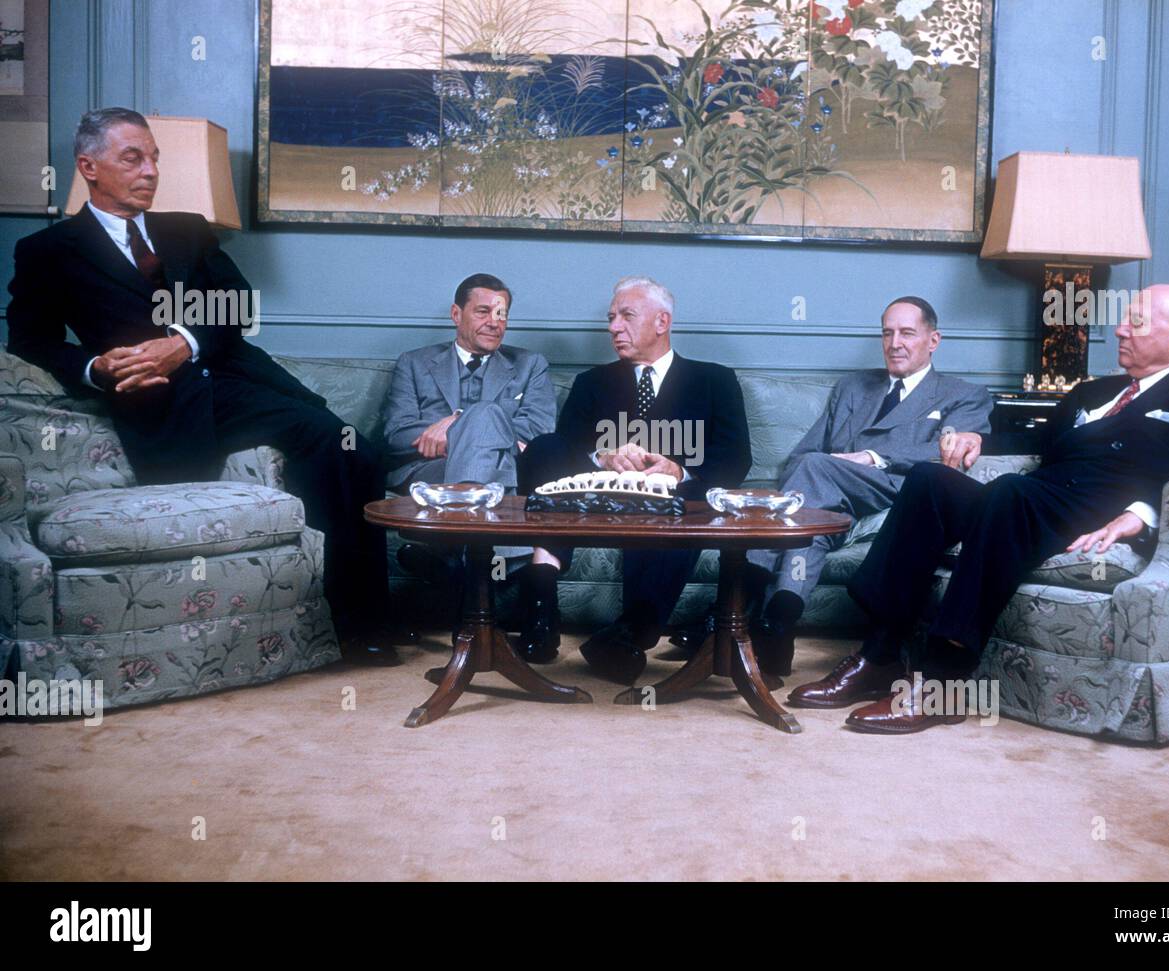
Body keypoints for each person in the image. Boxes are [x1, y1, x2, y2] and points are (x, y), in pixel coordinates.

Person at [6, 107, 396, 665]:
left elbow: (238, 305)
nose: (150, 171)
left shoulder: (186, 229)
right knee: (329, 441)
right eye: (132, 158)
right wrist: (97, 368)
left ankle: (373, 617)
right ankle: (354, 626)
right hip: (162, 402)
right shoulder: (49, 250)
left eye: (155, 158)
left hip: (235, 376)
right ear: (89, 166)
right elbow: (32, 340)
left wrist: (183, 342)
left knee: (359, 449)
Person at [789, 285, 1169, 733]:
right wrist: (979, 438)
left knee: (1011, 493)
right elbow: (1035, 443)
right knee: (930, 479)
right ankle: (879, 655)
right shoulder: (1096, 391)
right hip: (1030, 503)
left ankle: (943, 681)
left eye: (1135, 323)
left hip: (1093, 512)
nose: (1119, 331)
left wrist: (1143, 513)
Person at [674, 296, 992, 676]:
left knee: (814, 471)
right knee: (809, 527)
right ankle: (778, 627)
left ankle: (732, 607)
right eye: (887, 333)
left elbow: (948, 456)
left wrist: (873, 458)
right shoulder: (853, 387)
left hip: (900, 490)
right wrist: (824, 470)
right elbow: (804, 455)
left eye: (907, 333)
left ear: (933, 340)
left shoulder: (964, 395)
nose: (895, 343)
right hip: (829, 496)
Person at [515, 276, 752, 681]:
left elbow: (736, 458)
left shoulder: (715, 380)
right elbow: (565, 449)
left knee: (679, 503)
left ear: (662, 322)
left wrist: (679, 469)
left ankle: (627, 633)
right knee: (544, 448)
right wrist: (602, 456)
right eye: (611, 318)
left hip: (671, 501)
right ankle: (540, 609)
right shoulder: (592, 382)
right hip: (595, 500)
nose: (612, 327)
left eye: (626, 316)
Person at [382, 273, 555, 493]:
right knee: (491, 468)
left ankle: (465, 519)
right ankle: (482, 518)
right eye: (483, 312)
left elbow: (538, 431)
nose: (494, 323)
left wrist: (457, 422)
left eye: (501, 314)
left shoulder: (530, 365)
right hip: (431, 470)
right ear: (456, 314)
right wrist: (471, 433)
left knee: (487, 424)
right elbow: (398, 434)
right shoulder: (413, 363)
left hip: (505, 469)